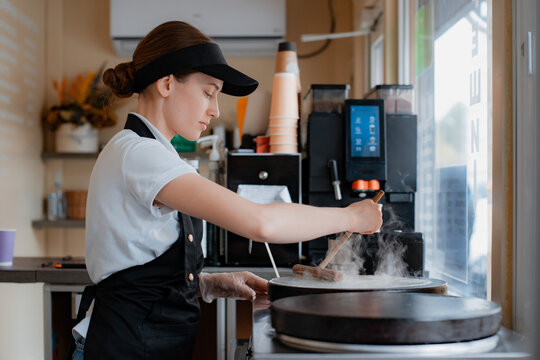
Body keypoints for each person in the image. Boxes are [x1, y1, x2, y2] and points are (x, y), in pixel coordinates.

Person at [73, 21, 382, 359]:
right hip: (127, 348)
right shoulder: (139, 154)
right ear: (166, 83)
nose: (215, 110)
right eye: (208, 92)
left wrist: (207, 283)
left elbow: (138, 267)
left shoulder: (149, 152)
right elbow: (262, 223)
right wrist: (349, 216)